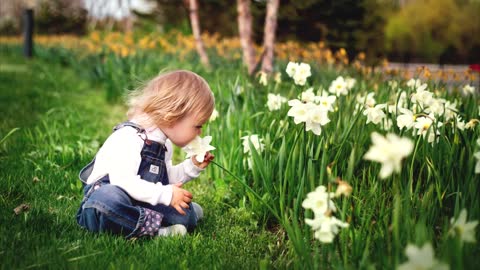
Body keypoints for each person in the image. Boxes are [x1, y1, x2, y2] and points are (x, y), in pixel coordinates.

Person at [76, 70, 215, 238]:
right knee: (107, 201)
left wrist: (192, 166)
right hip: (108, 198)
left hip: (139, 200)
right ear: (172, 117)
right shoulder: (129, 137)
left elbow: (165, 178)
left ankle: (176, 216)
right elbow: (123, 181)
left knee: (184, 212)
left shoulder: (164, 144)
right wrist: (166, 194)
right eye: (198, 126)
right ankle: (157, 231)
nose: (199, 133)